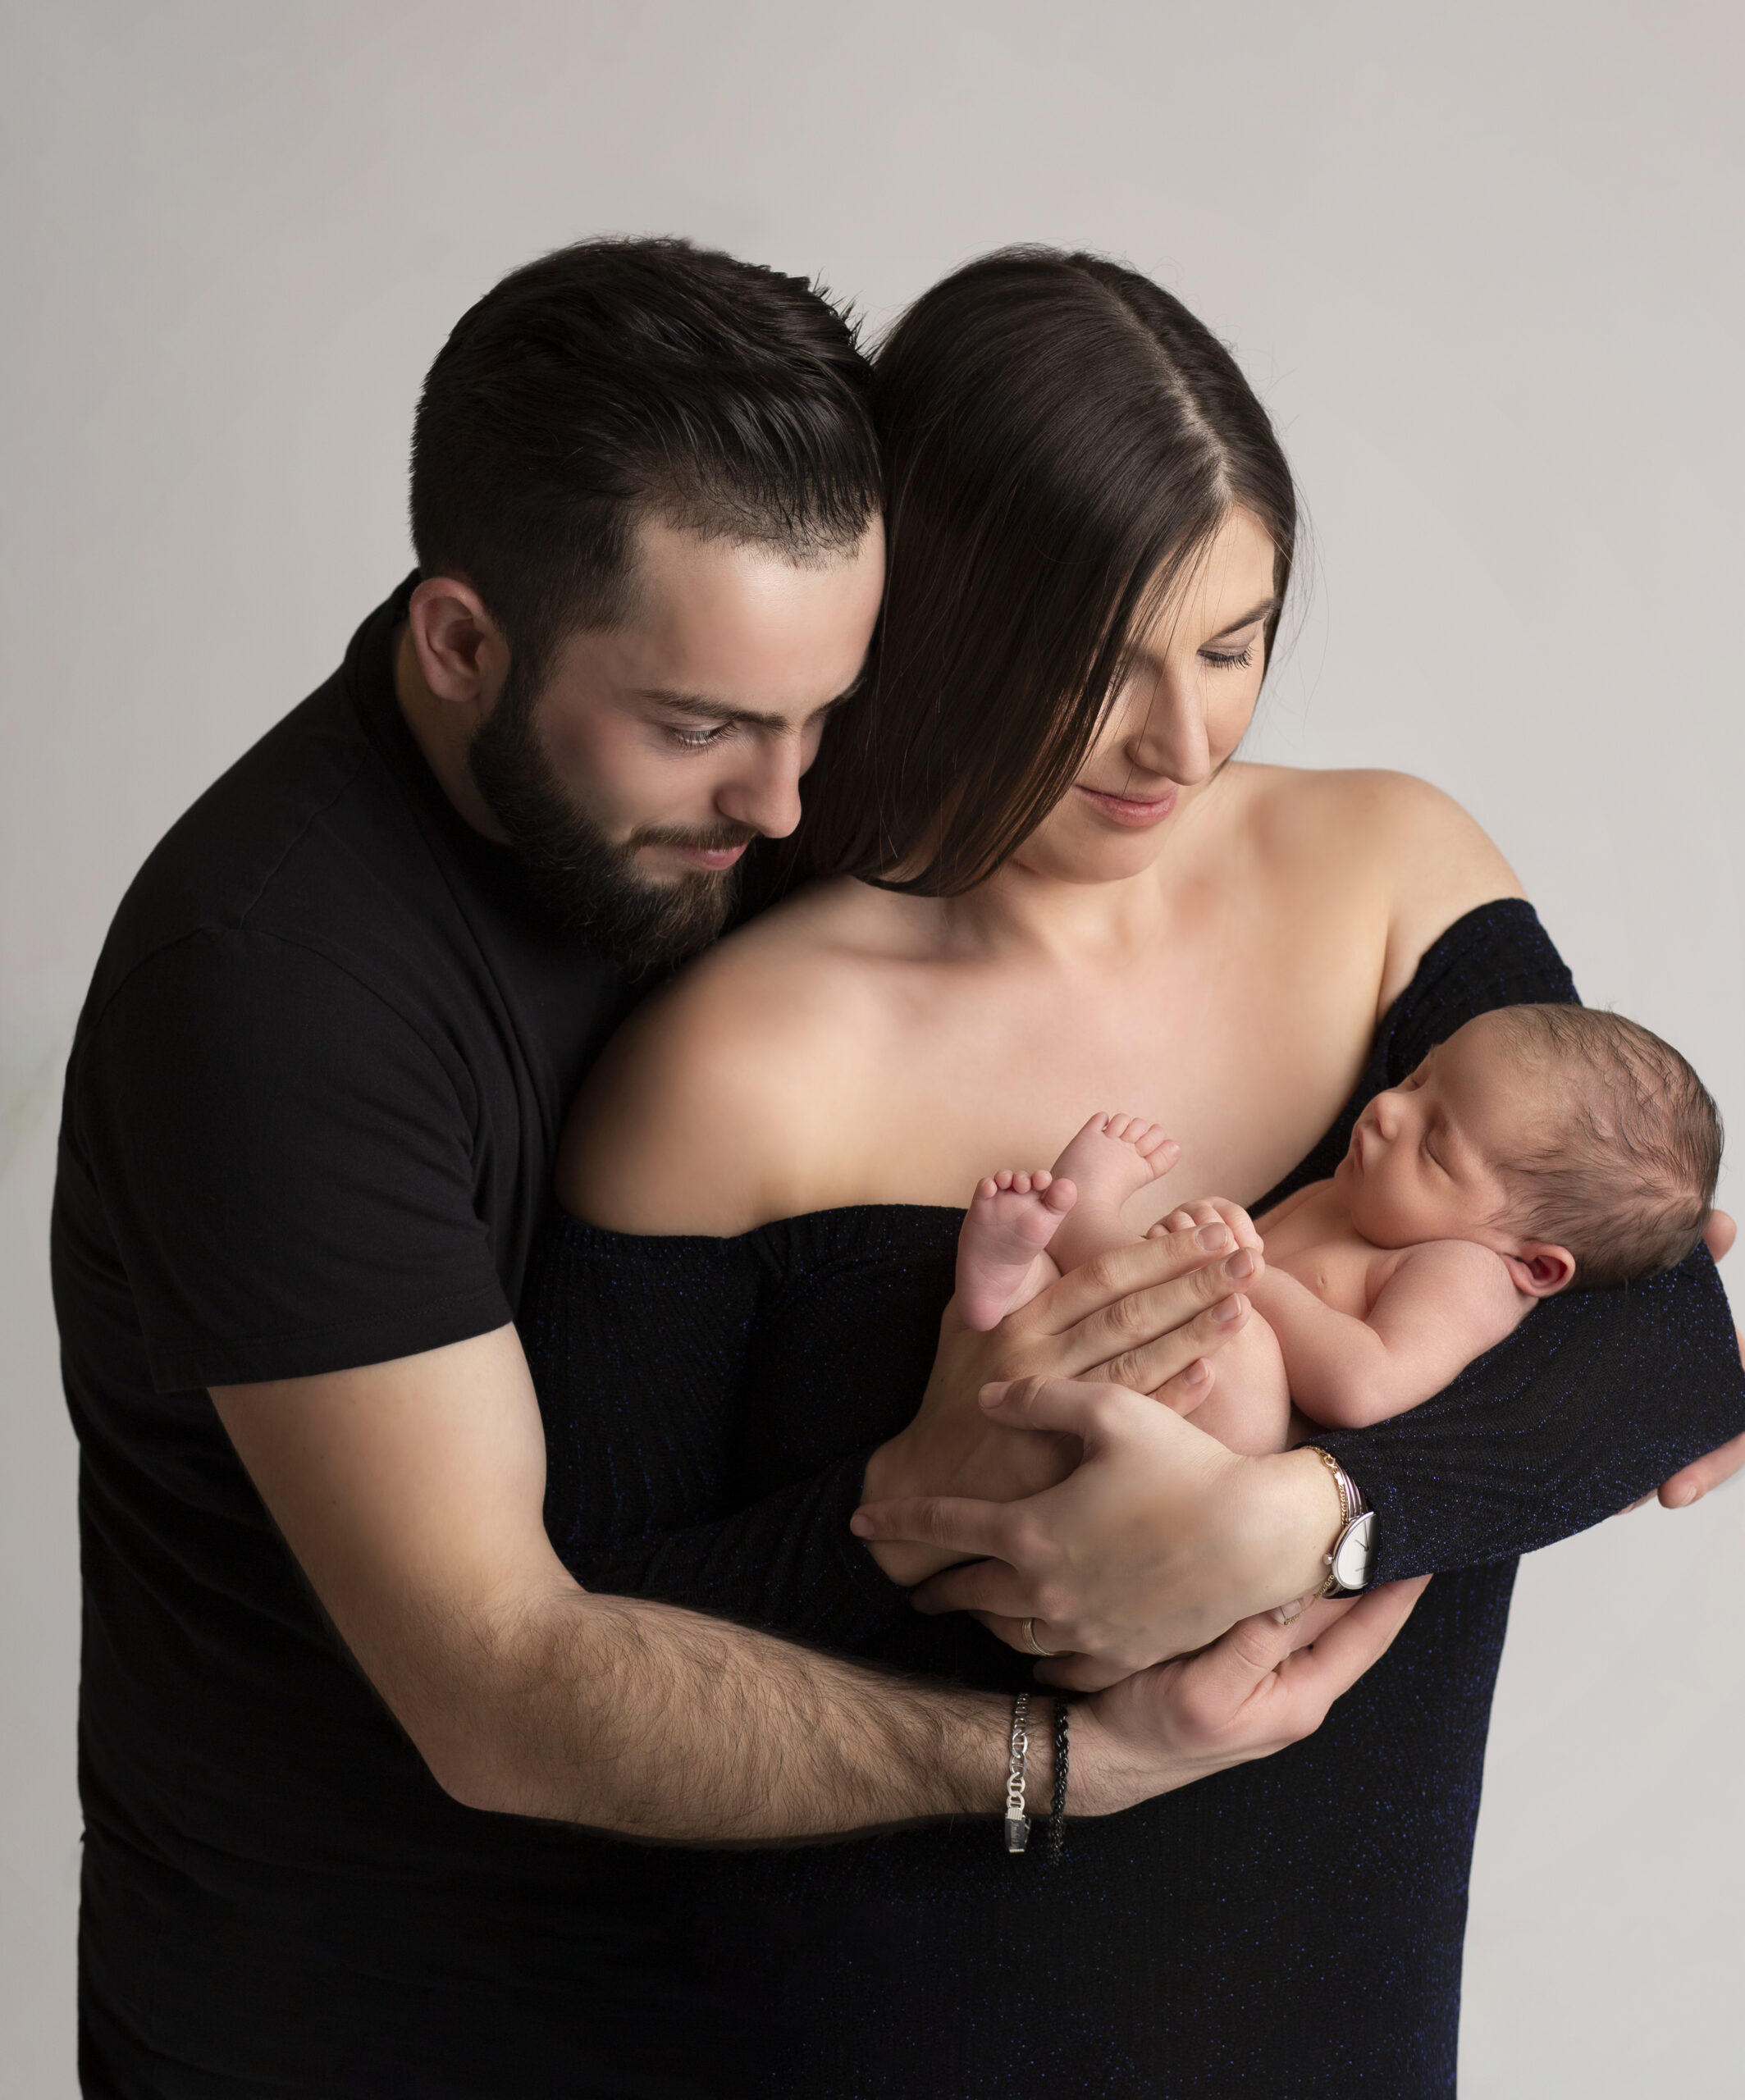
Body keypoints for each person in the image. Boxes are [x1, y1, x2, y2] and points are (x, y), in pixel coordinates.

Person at [53, 235, 1432, 2100]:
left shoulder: (753, 778)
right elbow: (502, 1683)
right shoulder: (276, 996)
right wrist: (1054, 1762)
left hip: (738, 1988)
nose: (790, 807)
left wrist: (1457, 1394)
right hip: (367, 2023)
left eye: (825, 711)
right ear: (460, 643)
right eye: (701, 727)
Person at [536, 248, 1745, 2093]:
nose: (1181, 741)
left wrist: (1299, 1518)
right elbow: (580, 1664)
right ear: (932, 620)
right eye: (1102, 664)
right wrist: (914, 1519)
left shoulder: (1389, 875)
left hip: (1335, 2034)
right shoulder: (731, 1066)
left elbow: (1658, 1345)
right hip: (865, 2039)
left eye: (1232, 644)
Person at [951, 1004, 1722, 1458]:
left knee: (1239, 1338)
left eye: (1433, 1147)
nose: (1387, 1110)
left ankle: (1084, 1215)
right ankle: (1005, 1283)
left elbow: (1363, 1389)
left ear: (1537, 1265)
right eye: (1418, 1078)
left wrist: (1247, 1274)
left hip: (1222, 1448)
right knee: (1136, 1286)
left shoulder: (1463, 1272)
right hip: (1133, 1378)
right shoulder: (1349, 1196)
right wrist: (1207, 1246)